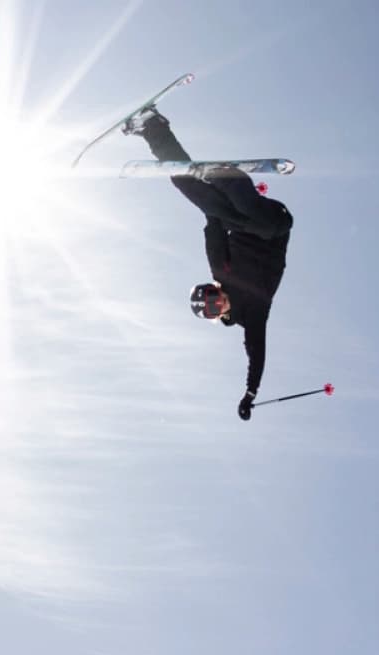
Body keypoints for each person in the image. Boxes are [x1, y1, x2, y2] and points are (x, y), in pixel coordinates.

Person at [124, 109, 293, 421]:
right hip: (274, 228)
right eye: (216, 307)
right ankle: (163, 134)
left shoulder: (218, 268)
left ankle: (152, 127)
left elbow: (212, 220)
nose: (221, 300)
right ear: (219, 315)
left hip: (244, 218)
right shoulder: (252, 314)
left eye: (213, 296)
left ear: (211, 288)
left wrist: (191, 184)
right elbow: (256, 353)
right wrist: (250, 392)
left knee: (188, 187)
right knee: (238, 212)